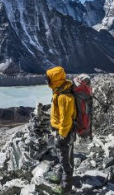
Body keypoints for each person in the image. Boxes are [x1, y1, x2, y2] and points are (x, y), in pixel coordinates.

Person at [46, 66, 76, 194]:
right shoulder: (59, 90)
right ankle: (62, 179)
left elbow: (66, 119)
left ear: (55, 79)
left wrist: (62, 135)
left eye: (48, 78)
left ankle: (65, 189)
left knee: (66, 162)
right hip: (61, 131)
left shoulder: (64, 96)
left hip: (65, 133)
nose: (46, 81)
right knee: (63, 156)